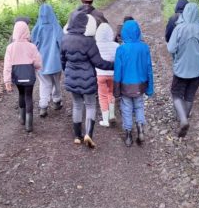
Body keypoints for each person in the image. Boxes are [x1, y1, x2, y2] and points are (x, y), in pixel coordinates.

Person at [61, 12, 113, 148]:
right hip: (87, 79)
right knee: (90, 105)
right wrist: (115, 65)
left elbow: (62, 61)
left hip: (72, 78)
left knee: (77, 104)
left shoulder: (64, 39)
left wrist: (68, 73)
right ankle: (88, 134)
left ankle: (77, 136)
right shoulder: (89, 41)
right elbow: (99, 63)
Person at [167, 2, 199, 138]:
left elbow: (171, 48)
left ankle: (183, 120)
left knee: (176, 93)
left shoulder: (179, 28)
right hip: (197, 70)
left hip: (181, 68)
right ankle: (184, 118)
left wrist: (176, 57)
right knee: (190, 95)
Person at [113, 19, 154, 147]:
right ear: (138, 32)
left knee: (126, 109)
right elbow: (149, 68)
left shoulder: (121, 49)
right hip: (140, 84)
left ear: (124, 33)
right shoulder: (144, 47)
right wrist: (150, 88)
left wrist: (116, 90)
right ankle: (140, 128)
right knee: (139, 106)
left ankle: (128, 135)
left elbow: (117, 71)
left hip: (125, 86)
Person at [3, 21, 42, 133]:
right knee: (28, 96)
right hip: (29, 75)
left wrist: (7, 81)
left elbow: (7, 65)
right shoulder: (32, 46)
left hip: (17, 75)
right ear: (27, 31)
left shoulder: (10, 47)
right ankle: (29, 124)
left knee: (21, 94)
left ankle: (22, 118)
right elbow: (38, 62)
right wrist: (37, 68)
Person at [31, 4, 63, 117]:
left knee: (44, 84)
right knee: (56, 82)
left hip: (41, 63)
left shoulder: (36, 29)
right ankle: (57, 101)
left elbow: (33, 46)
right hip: (56, 62)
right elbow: (62, 44)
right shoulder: (56, 27)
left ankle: (43, 106)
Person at [95, 22, 119, 127]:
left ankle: (105, 120)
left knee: (102, 96)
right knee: (111, 93)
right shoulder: (116, 45)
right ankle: (112, 115)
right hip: (113, 74)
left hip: (100, 74)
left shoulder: (95, 46)